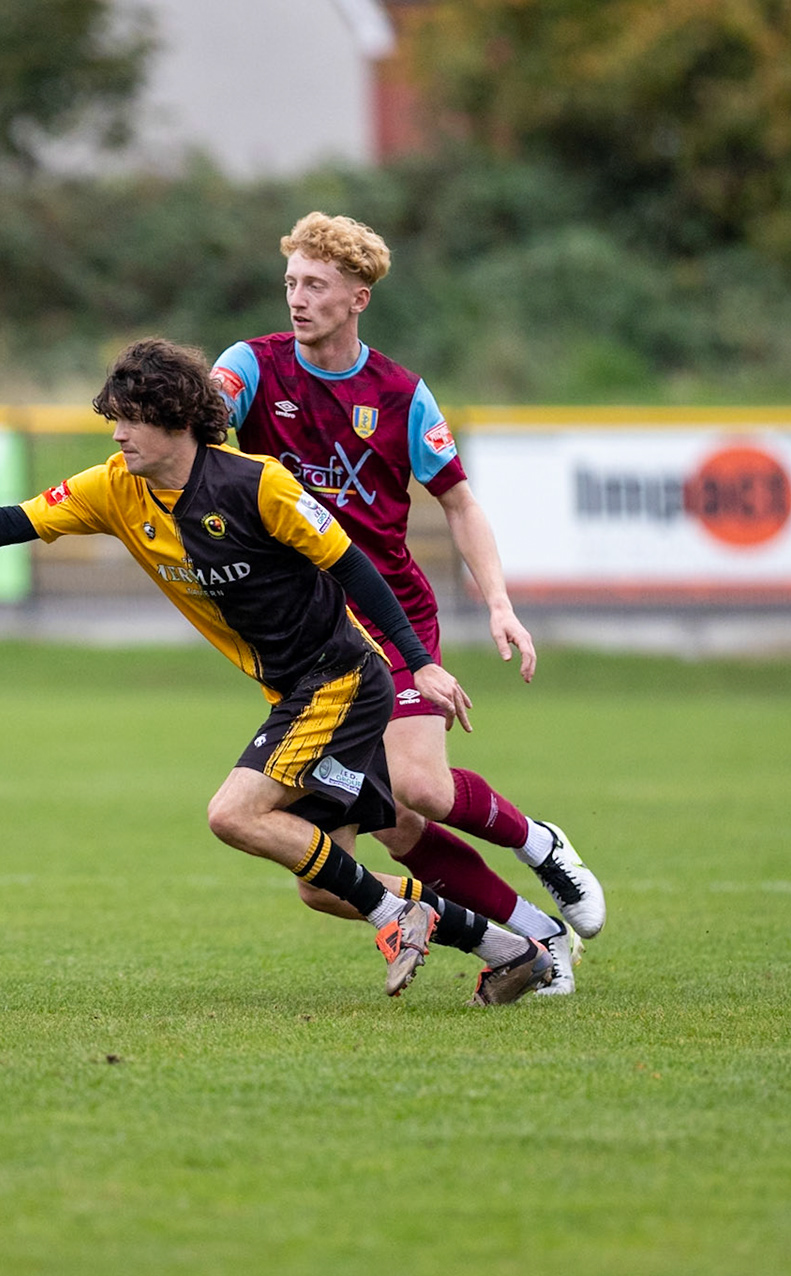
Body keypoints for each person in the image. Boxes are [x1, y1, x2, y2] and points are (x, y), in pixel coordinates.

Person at [0, 338, 554, 1005]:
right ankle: (511, 950)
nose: (117, 436)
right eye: (114, 420)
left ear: (174, 419)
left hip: (341, 679)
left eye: (130, 419)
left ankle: (393, 913)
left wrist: (421, 663)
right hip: (301, 690)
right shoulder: (114, 491)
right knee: (323, 882)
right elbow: (8, 524)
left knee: (233, 814)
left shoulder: (257, 484)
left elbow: (354, 565)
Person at [210, 212, 604, 996]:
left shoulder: (399, 394)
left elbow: (459, 502)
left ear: (358, 297)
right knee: (339, 869)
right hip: (309, 636)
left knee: (420, 785)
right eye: (291, 282)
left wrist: (499, 604)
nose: (297, 298)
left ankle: (541, 842)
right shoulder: (250, 366)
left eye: (316, 286)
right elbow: (209, 412)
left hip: (389, 612)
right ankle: (532, 935)